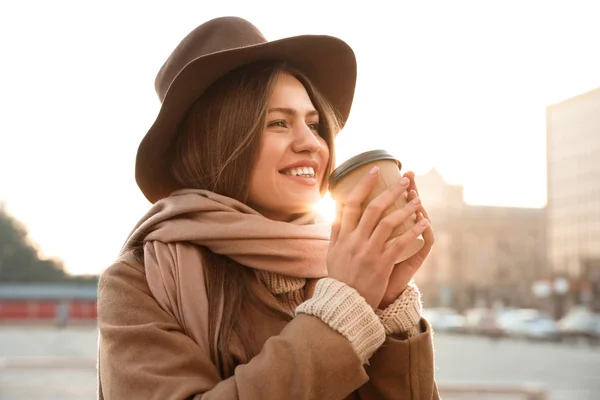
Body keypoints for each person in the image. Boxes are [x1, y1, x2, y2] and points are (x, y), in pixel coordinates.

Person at [97, 16, 439, 399]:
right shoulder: (139, 280)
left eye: (314, 124)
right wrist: (340, 312)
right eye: (278, 123)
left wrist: (389, 310)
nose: (311, 143)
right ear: (216, 143)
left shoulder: (340, 261)